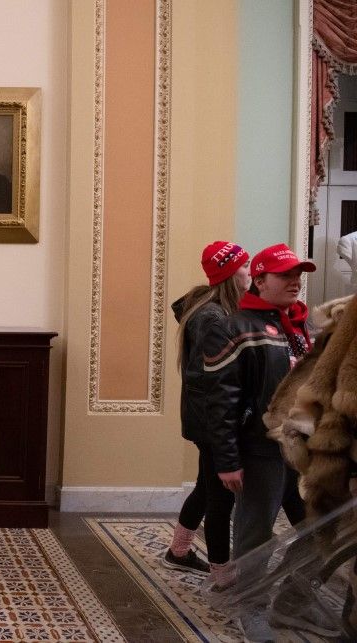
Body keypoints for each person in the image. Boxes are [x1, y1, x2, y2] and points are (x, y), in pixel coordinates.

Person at [202, 243, 320, 641]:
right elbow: (221, 404)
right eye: (285, 275)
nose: (296, 282)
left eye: (298, 275)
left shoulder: (302, 326)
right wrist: (227, 459)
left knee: (322, 529)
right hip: (259, 451)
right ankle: (250, 607)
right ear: (259, 278)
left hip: (303, 450)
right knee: (255, 537)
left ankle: (292, 602)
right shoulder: (234, 326)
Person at [162, 241, 250, 586]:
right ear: (230, 273)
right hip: (214, 420)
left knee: (206, 486)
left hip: (207, 418)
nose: (250, 271)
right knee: (220, 499)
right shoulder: (213, 318)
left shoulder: (211, 309)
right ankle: (223, 577)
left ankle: (179, 551)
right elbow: (215, 379)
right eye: (245, 265)